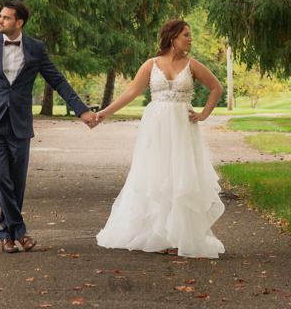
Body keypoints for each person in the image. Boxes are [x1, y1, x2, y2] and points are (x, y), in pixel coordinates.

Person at [0, 0, 98, 253]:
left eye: (6, 18)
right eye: (0, 16)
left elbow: (58, 80)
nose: (0, 20)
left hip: (20, 124)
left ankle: (7, 235)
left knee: (16, 182)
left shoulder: (36, 49)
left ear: (19, 23)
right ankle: (20, 231)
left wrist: (81, 110)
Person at [93, 19, 226, 258]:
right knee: (157, 175)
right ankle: (159, 236)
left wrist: (204, 114)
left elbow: (216, 87)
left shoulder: (193, 65)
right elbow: (131, 92)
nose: (190, 39)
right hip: (157, 127)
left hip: (183, 129)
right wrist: (104, 112)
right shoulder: (150, 64)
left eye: (190, 34)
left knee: (181, 176)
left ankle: (180, 236)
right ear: (173, 37)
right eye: (186, 35)